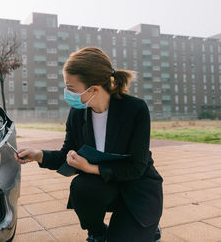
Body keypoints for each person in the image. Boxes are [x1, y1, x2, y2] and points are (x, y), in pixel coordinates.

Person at [14, 47, 163, 242]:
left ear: (94, 89)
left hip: (138, 187)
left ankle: (149, 228)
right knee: (82, 187)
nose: (67, 93)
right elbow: (66, 154)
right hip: (105, 186)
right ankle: (97, 232)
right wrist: (37, 155)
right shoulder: (77, 113)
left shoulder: (135, 109)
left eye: (71, 88)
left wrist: (89, 167)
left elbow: (136, 168)